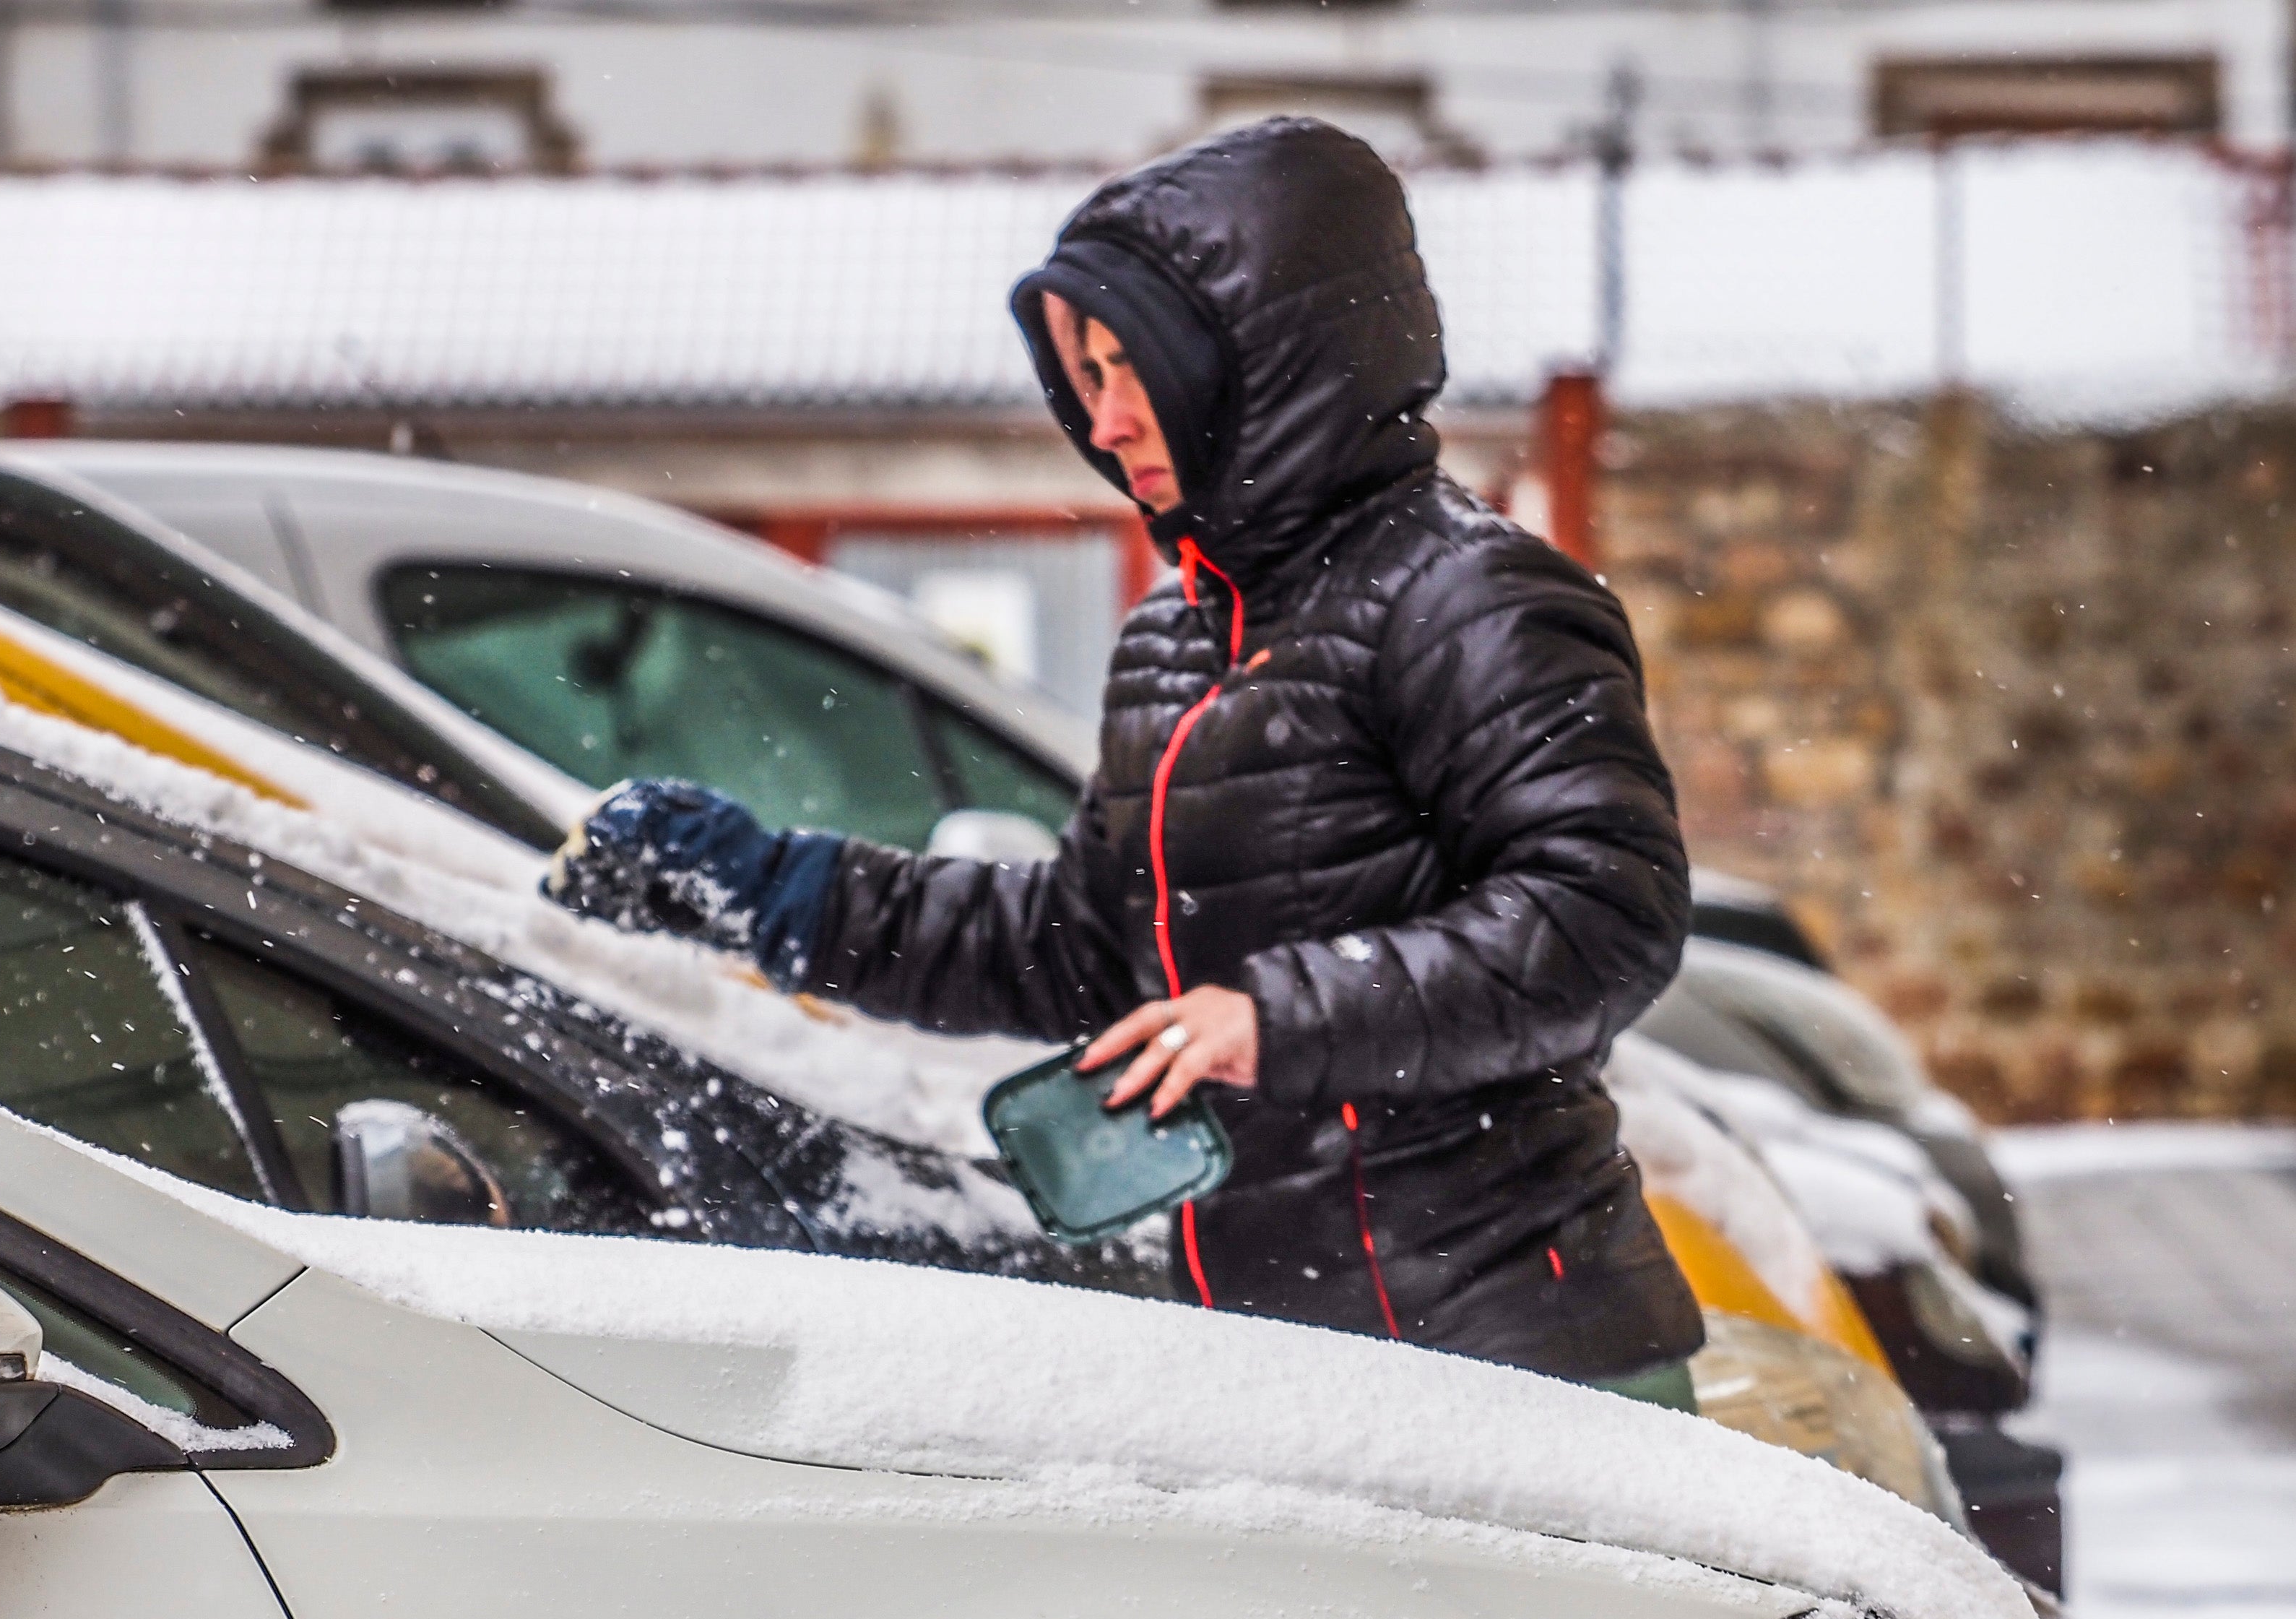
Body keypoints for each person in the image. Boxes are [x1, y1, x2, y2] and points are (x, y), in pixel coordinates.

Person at [543, 118, 1703, 1386]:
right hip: (1296, 1351)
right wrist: (775, 893)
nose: (1102, 417)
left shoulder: (1468, 599)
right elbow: (1085, 948)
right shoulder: (1175, 638)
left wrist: (1274, 1016)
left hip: (1519, 1356)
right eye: (1077, 374)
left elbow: (1603, 915)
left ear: (1255, 362)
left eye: (1128, 364)